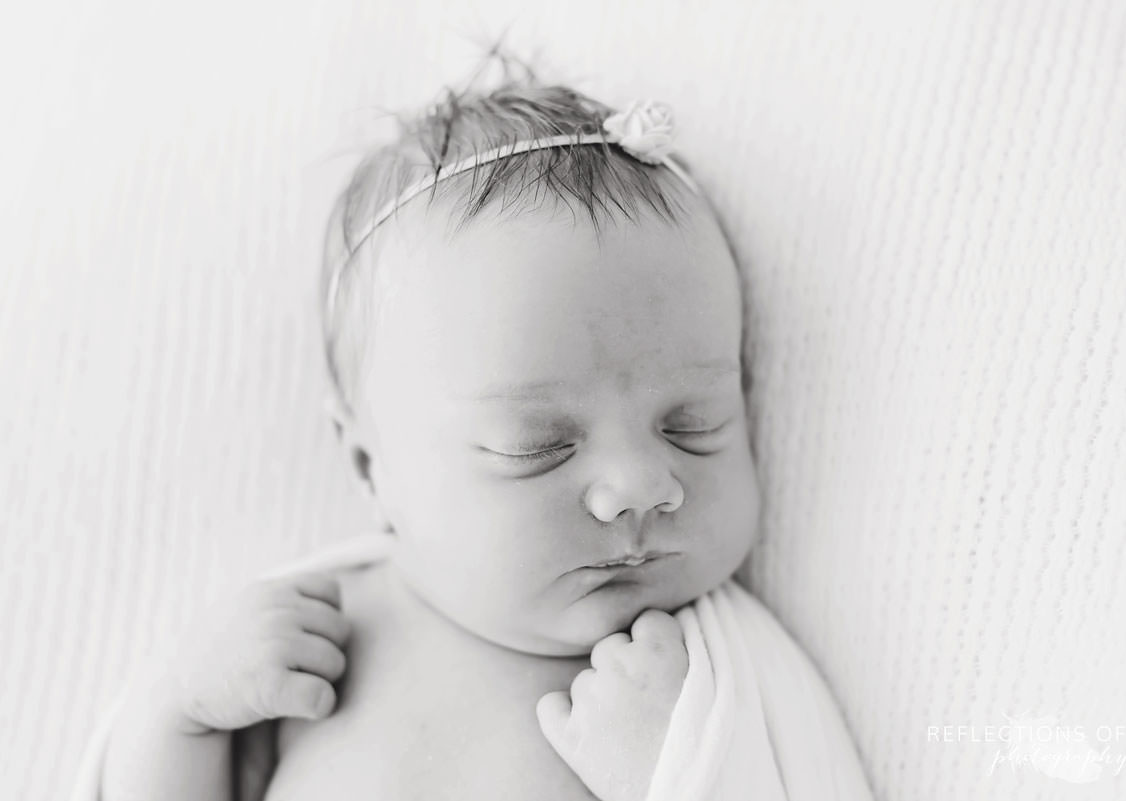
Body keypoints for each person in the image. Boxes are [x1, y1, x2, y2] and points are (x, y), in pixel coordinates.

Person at [93, 53, 872, 801]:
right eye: (537, 446)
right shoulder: (311, 643)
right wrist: (180, 718)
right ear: (371, 466)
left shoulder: (710, 679)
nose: (640, 485)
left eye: (693, 425)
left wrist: (683, 779)